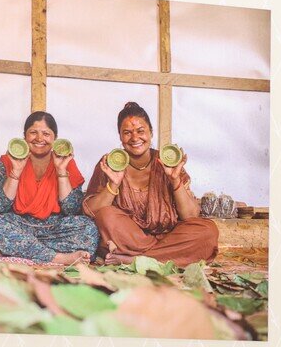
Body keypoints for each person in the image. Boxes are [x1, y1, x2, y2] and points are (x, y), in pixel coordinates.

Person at [82, 102, 221, 265]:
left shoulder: (168, 162)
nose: (135, 138)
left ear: (151, 132)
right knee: (106, 216)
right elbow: (92, 212)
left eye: (140, 131)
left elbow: (190, 216)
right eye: (127, 133)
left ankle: (134, 260)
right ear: (120, 136)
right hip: (130, 238)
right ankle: (163, 257)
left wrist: (175, 180)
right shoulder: (111, 164)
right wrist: (113, 184)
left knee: (208, 231)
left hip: (168, 237)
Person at [0, 111, 97, 265]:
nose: (39, 139)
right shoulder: (8, 161)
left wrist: (61, 171)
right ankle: (59, 258)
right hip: (18, 224)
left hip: (54, 227)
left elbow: (71, 209)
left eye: (46, 134)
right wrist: (16, 172)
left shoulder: (66, 162)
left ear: (55, 138)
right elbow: (1, 206)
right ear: (24, 136)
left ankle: (17, 249)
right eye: (33, 133)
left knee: (88, 229)